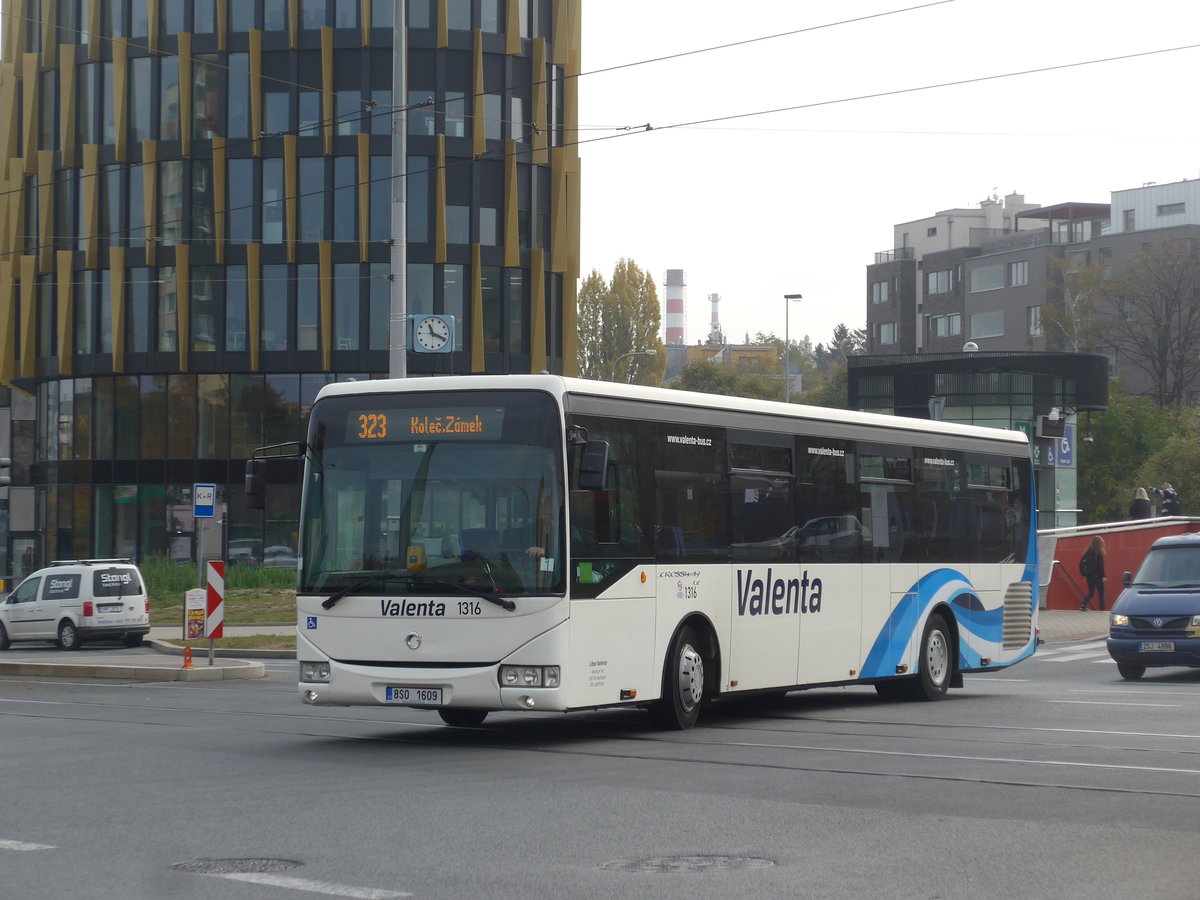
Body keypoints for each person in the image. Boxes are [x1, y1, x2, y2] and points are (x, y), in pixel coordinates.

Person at [1079, 535, 1107, 611]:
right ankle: (1102, 610)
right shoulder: (1099, 553)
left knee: (1091, 593)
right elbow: (1100, 566)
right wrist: (1103, 576)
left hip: (1089, 576)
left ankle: (1083, 605)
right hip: (1097, 576)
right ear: (1100, 544)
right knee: (1101, 594)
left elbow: (1082, 562)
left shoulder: (1088, 551)